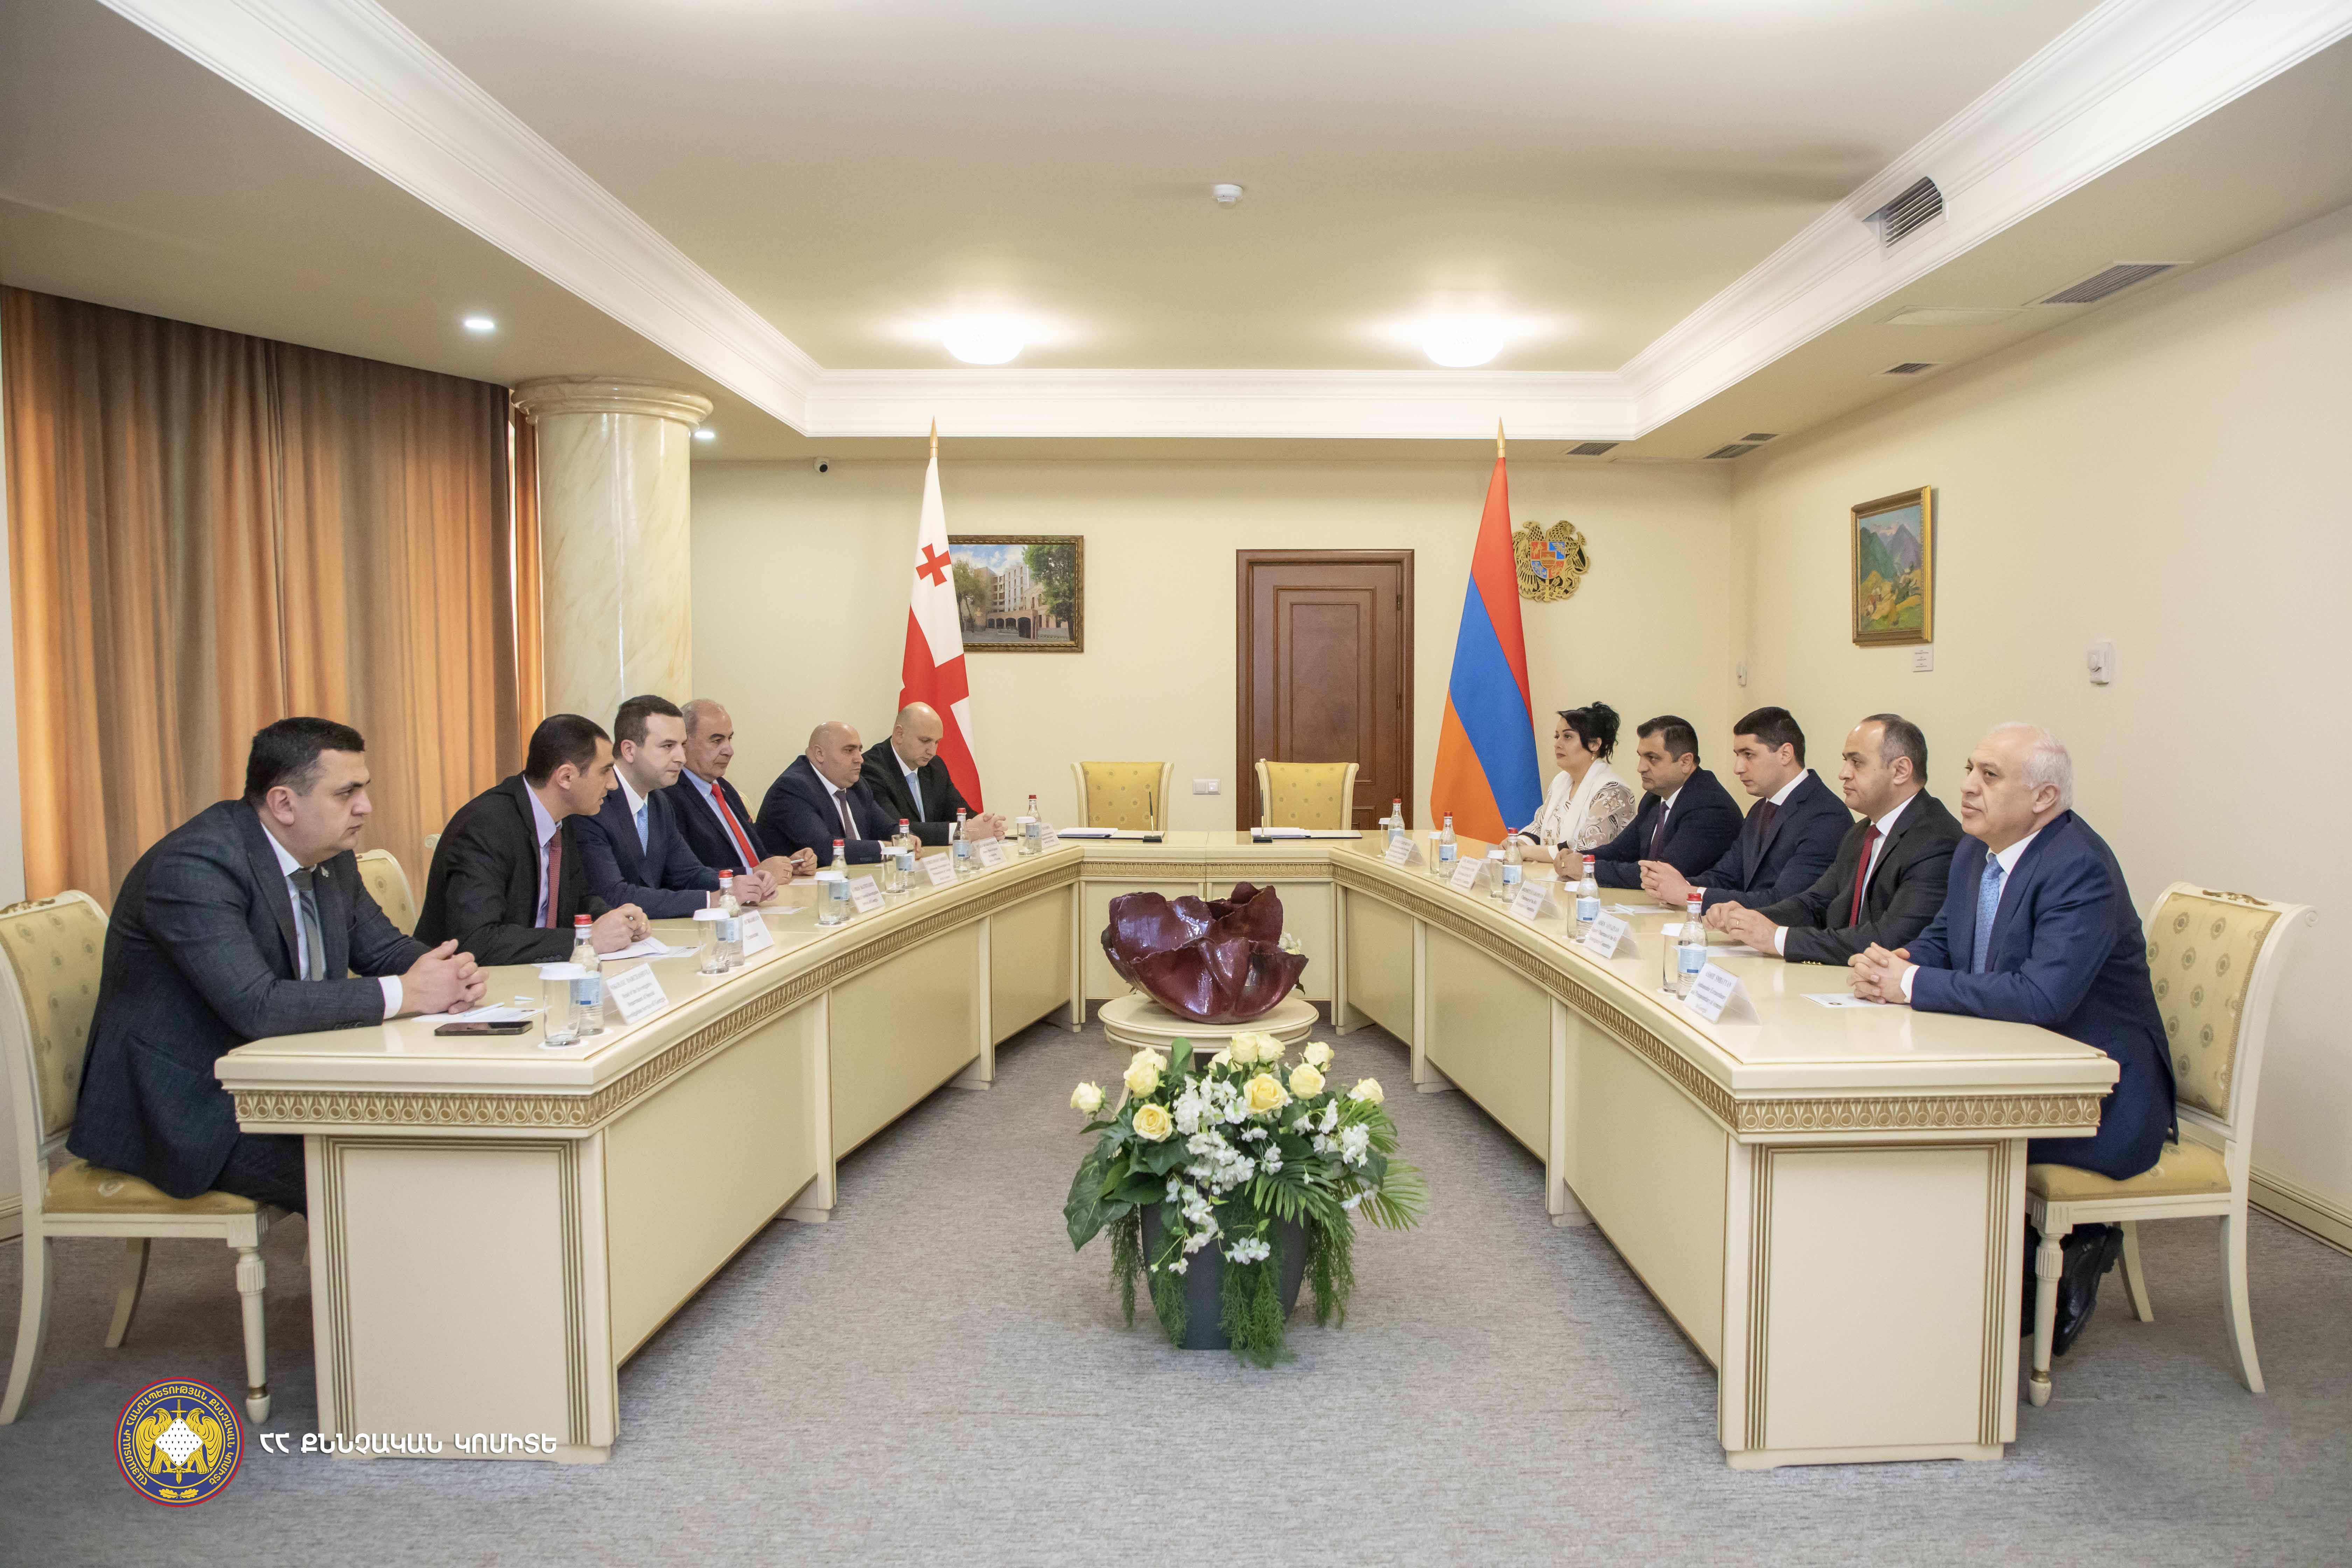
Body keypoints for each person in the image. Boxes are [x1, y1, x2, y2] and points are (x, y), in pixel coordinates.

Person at [67, 719, 485, 1211]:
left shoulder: (329, 855)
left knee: (441, 1142)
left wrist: (448, 972)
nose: (365, 807)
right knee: (375, 1175)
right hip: (193, 1105)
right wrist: (410, 992)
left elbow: (383, 950)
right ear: (284, 803)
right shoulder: (194, 867)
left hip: (288, 1079)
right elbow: (258, 1006)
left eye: (364, 789)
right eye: (346, 793)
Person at [1850, 723, 2176, 1351]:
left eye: (1990, 776)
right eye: (1971, 769)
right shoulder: (1975, 849)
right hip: (2015, 1066)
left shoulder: (2079, 868)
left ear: (2044, 798)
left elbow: (2042, 997)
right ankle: (1938, 1296)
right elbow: (1946, 940)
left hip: (2100, 1100)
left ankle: (1978, 1307)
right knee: (1903, 1124)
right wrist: (1894, 963)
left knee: (1922, 1135)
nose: (1968, 787)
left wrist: (1909, 984)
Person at [1707, 713, 1962, 963]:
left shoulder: (1936, 840)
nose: (1844, 774)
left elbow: (1891, 940)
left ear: (1901, 771)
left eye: (1857, 763)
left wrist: (1777, 938)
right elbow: (1815, 904)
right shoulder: (1860, 833)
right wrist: (1749, 919)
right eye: (1845, 761)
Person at [416, 713, 649, 965]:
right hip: (466, 979)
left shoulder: (563, 817)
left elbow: (578, 898)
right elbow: (477, 941)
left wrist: (615, 920)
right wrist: (584, 940)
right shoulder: (485, 826)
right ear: (566, 777)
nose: (613, 785)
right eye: (605, 771)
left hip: (533, 974)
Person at [575, 695, 778, 918]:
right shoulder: (593, 802)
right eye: (668, 746)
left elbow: (689, 874)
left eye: (683, 745)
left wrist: (740, 883)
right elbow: (612, 895)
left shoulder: (659, 802)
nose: (681, 757)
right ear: (629, 751)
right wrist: (712, 900)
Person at [1643, 706, 1847, 911]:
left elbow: (1786, 902)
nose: (1738, 768)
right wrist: (1675, 885)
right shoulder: (1760, 809)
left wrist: (1690, 895)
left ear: (1786, 754)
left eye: (1749, 755)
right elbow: (1727, 877)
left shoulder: (1825, 816)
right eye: (1738, 755)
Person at [662, 699, 817, 886]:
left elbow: (754, 857)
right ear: (685, 743)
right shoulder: (669, 797)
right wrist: (752, 874)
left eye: (730, 739)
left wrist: (788, 864)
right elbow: (686, 875)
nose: (729, 750)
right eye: (717, 741)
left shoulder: (725, 789)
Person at [1584, 715, 1741, 889]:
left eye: (1652, 758)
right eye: (1641, 757)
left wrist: (1588, 869)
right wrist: (1580, 858)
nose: (1641, 768)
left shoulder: (1711, 807)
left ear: (1686, 762)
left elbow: (1662, 874)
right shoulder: (1654, 797)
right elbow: (1620, 851)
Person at [858, 702, 1007, 846]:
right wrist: (963, 831)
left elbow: (960, 812)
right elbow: (896, 830)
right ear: (900, 734)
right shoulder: (871, 769)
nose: (932, 752)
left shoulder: (935, 766)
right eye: (925, 741)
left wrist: (986, 825)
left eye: (937, 742)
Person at [758, 721, 895, 864]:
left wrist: (905, 838)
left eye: (860, 750)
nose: (860, 759)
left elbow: (887, 828)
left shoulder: (856, 785)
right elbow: (825, 850)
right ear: (820, 754)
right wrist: (887, 849)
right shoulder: (792, 789)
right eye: (849, 751)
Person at [1514, 700, 1637, 855]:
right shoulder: (1561, 782)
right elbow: (1540, 826)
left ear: (1594, 744)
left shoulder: (1613, 791)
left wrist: (1526, 852)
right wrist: (1518, 843)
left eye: (1567, 737)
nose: (1557, 744)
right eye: (1557, 736)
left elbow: (1587, 850)